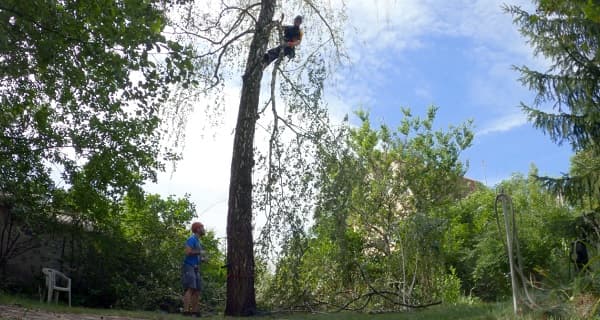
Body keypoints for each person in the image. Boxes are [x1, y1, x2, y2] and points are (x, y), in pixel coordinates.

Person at [182, 222, 206, 317]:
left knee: (197, 290)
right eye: (202, 227)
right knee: (190, 288)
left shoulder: (198, 241)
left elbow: (196, 254)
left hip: (196, 267)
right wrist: (200, 252)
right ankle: (186, 311)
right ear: (197, 229)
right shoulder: (191, 239)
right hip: (189, 266)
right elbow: (188, 252)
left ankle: (195, 312)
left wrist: (203, 259)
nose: (204, 229)